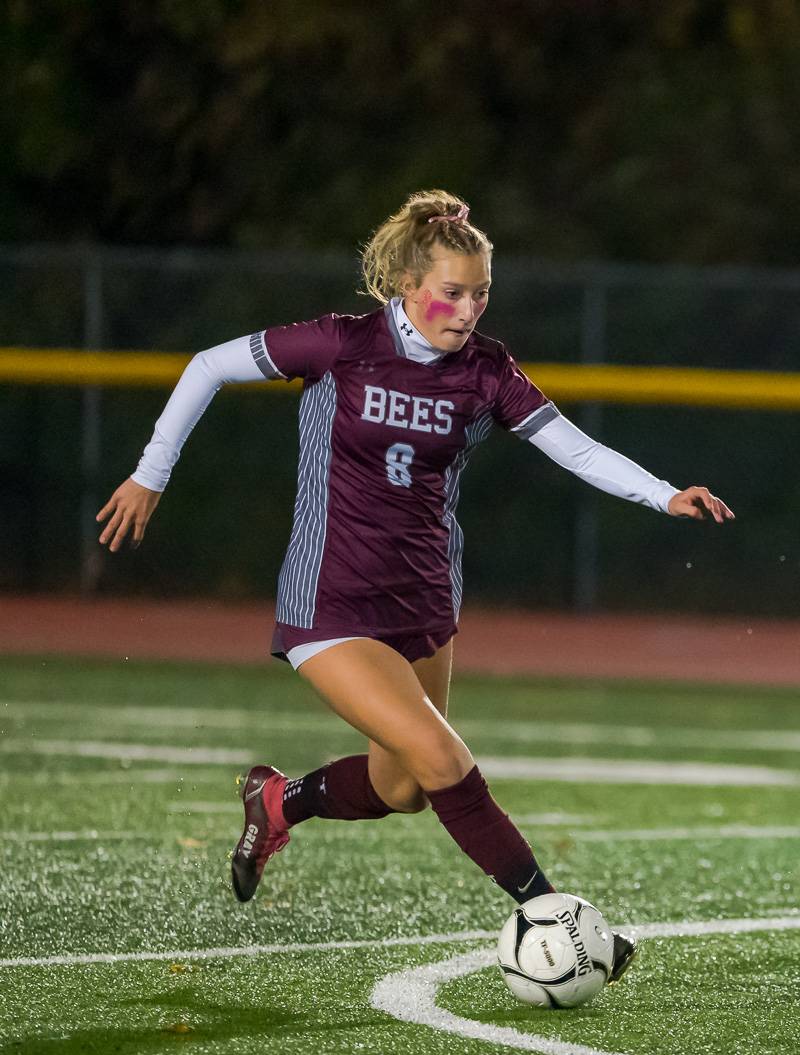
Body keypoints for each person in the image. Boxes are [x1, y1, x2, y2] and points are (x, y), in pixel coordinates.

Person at [97, 189, 734, 987]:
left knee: (402, 786)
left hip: (425, 600)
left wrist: (663, 491)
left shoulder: (486, 370)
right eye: (451, 291)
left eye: (479, 294)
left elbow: (572, 447)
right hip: (330, 602)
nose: (466, 310)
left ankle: (278, 804)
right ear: (405, 282)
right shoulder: (339, 343)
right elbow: (208, 366)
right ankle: (550, 909)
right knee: (439, 754)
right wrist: (149, 474)